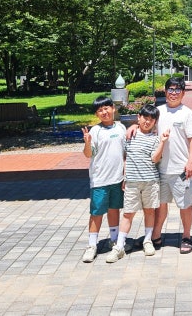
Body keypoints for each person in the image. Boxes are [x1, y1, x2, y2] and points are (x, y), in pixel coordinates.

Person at [106, 104, 169, 263]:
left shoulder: (155, 138)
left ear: (155, 122)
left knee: (149, 212)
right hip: (132, 182)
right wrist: (124, 176)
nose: (147, 122)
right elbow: (124, 156)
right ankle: (119, 246)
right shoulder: (130, 135)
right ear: (138, 118)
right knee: (128, 213)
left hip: (150, 181)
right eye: (145, 118)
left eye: (151, 120)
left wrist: (162, 142)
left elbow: (155, 159)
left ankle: (147, 240)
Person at [152, 76, 192, 254]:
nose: (173, 93)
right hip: (160, 169)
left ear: (183, 93)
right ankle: (156, 234)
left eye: (177, 90)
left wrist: (191, 161)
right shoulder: (158, 112)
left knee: (185, 204)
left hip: (181, 169)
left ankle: (186, 236)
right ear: (165, 92)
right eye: (170, 89)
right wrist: (132, 127)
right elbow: (144, 125)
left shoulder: (188, 114)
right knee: (160, 204)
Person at [81, 96, 126, 263]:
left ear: (113, 108)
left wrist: (126, 175)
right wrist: (87, 143)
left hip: (117, 178)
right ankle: (92, 245)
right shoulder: (95, 131)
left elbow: (125, 152)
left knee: (114, 209)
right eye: (100, 110)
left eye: (106, 108)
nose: (104, 112)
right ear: (97, 114)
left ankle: (114, 239)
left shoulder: (121, 127)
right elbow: (88, 154)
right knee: (97, 212)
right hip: (100, 180)